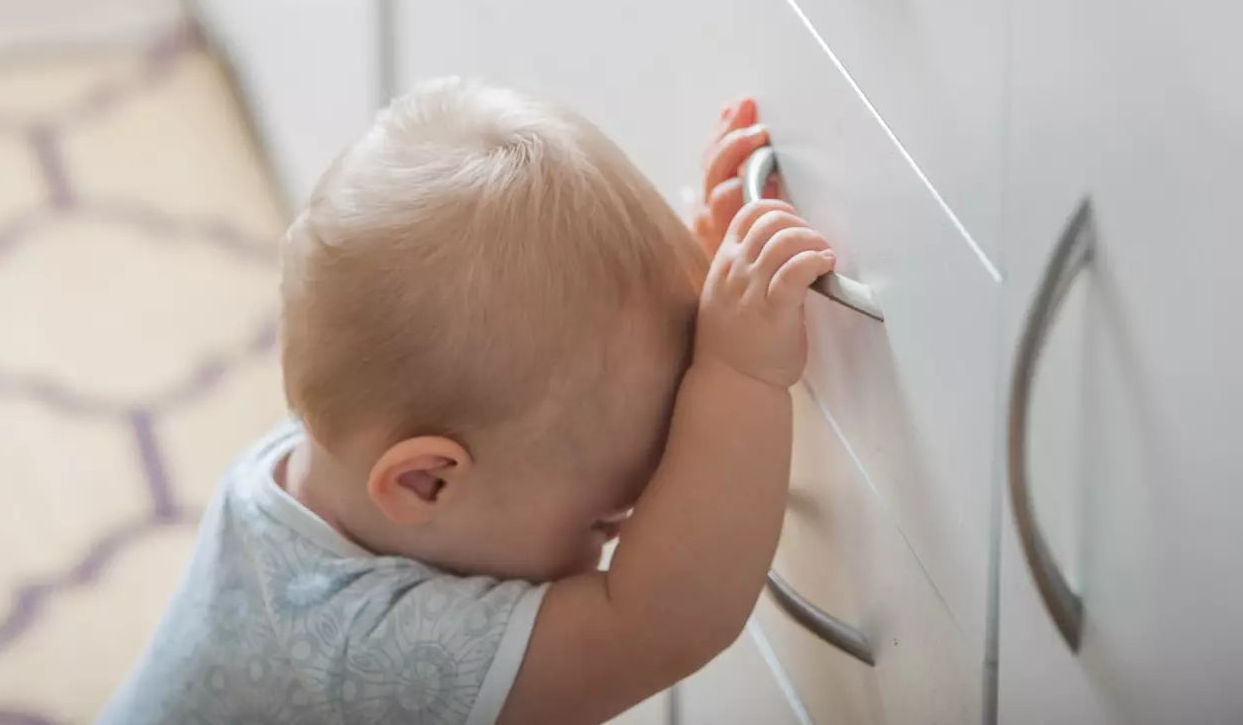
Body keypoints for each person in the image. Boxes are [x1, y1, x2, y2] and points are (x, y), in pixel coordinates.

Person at [98, 81, 833, 725]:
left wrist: (710, 294)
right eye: (602, 518)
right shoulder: (369, 657)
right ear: (426, 480)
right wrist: (738, 374)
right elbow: (661, 623)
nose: (625, 536)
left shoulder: (306, 469)